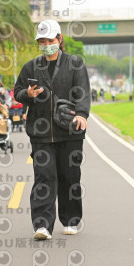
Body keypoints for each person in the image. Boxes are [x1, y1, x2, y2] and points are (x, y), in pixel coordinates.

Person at [14, 19, 91, 241]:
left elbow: (82, 91)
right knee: (44, 178)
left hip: (70, 130)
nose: (46, 45)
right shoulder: (31, 66)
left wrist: (81, 114)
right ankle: (42, 225)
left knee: (69, 176)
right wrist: (28, 95)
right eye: (42, 41)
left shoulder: (75, 63)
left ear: (59, 39)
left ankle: (71, 220)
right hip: (41, 133)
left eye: (50, 40)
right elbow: (17, 92)